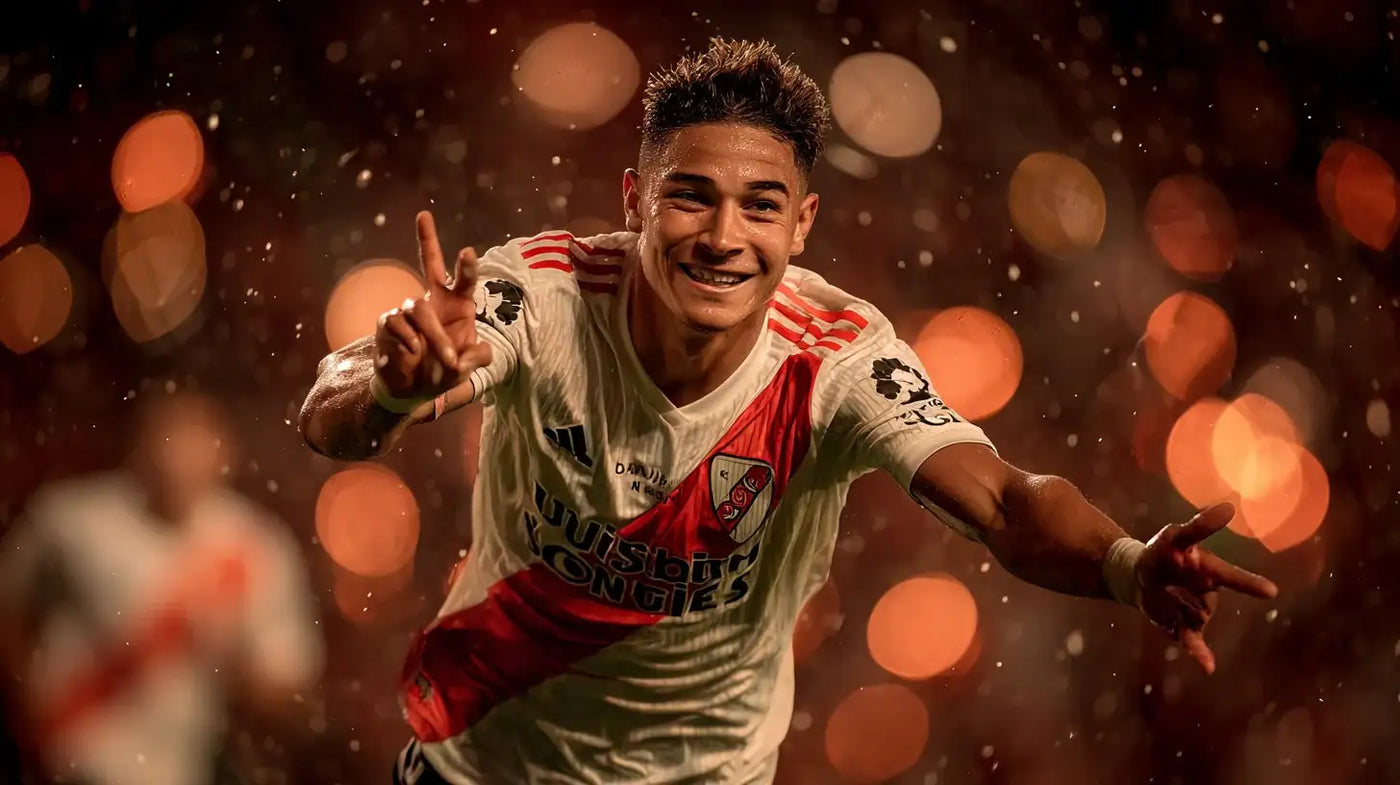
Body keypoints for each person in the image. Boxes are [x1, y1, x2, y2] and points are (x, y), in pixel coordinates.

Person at [299, 37, 1278, 785]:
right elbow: (331, 412)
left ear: (800, 223)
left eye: (760, 205)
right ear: (634, 200)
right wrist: (392, 385)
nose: (723, 236)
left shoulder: (838, 362)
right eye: (690, 197)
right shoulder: (544, 296)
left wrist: (1121, 561)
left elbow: (1006, 502)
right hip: (481, 764)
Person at [0, 391, 324, 785]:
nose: (177, 460)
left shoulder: (253, 549)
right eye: (167, 437)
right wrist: (26, 709)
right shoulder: (69, 522)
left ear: (225, 453)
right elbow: (11, 604)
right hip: (67, 762)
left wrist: (227, 662)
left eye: (194, 441)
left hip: (182, 771)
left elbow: (289, 686)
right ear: (138, 443)